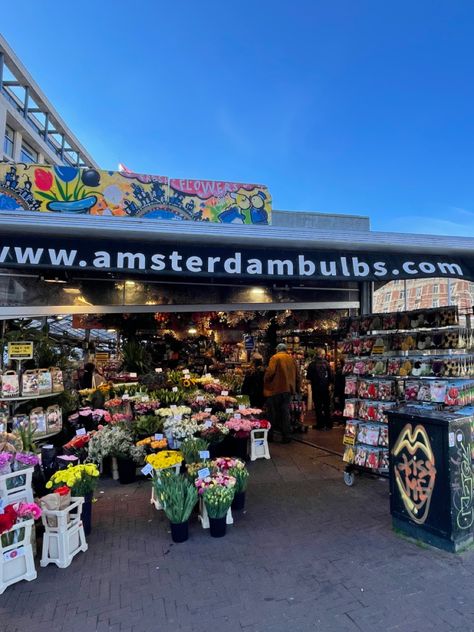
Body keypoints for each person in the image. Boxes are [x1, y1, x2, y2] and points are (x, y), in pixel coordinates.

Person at [264, 343, 300, 443]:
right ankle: (286, 436)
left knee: (272, 413)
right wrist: (297, 388)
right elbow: (297, 375)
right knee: (285, 413)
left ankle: (270, 436)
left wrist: (265, 380)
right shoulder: (291, 359)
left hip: (275, 389)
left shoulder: (275, 358)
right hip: (287, 390)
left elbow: (270, 372)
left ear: (278, 349)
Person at [306, 349, 333, 430]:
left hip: (316, 388)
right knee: (326, 406)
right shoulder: (327, 364)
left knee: (318, 407)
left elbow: (308, 377)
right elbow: (331, 377)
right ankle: (328, 424)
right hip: (325, 389)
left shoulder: (312, 364)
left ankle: (320, 424)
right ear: (323, 355)